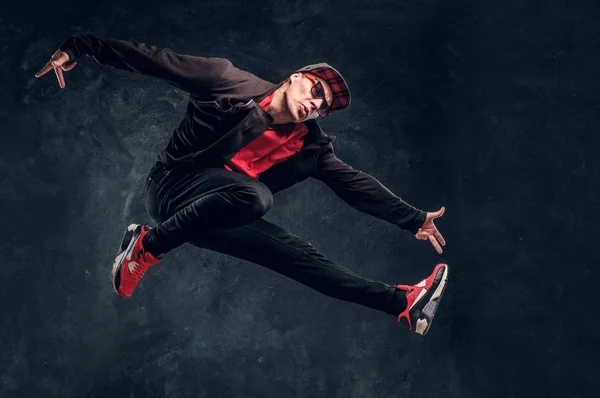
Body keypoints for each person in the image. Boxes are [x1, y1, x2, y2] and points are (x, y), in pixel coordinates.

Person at [35, 35, 449, 336]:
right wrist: (80, 46)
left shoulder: (309, 147)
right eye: (316, 90)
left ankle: (403, 303)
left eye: (324, 107)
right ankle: (146, 245)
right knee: (254, 196)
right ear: (296, 77)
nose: (316, 104)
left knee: (301, 258)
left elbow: (354, 184)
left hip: (218, 210)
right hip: (170, 190)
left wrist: (412, 219)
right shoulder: (225, 83)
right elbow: (153, 60)